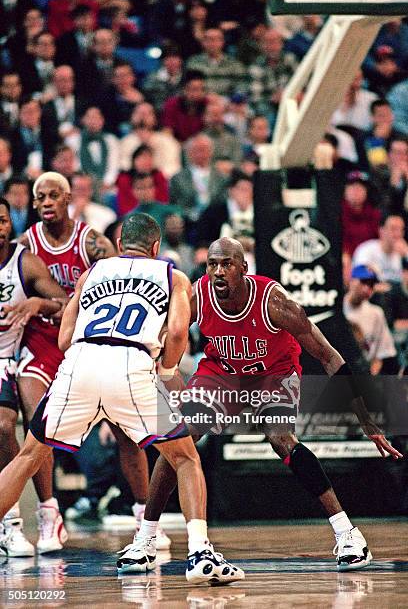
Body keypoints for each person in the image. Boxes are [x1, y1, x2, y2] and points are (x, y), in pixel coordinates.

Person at [123, 237, 402, 573]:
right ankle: (146, 539)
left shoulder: (275, 303)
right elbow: (164, 336)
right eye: (213, 264)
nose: (218, 271)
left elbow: (330, 356)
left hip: (274, 374)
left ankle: (348, 534)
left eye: (227, 264)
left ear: (244, 268)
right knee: (178, 438)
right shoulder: (197, 296)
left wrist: (366, 420)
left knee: (280, 438)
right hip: (222, 373)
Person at [0, 214, 244, 585]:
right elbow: (178, 331)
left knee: (29, 456)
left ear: (120, 243)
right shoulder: (173, 276)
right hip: (131, 365)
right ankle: (200, 553)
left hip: (80, 362)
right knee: (184, 458)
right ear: (156, 247)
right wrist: (165, 370)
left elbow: (64, 339)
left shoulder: (93, 272)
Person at [15, 170, 117, 554]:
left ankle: (144, 514)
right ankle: (48, 511)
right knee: (36, 416)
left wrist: (53, 304)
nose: (44, 203)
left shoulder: (92, 242)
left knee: (125, 430)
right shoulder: (26, 245)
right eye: (39, 197)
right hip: (42, 342)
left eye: (52, 196)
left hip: (84, 342)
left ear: (69, 197)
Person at [0, 197, 67, 557]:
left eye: (3, 221)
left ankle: (48, 510)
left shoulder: (24, 261)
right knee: (1, 424)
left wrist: (37, 304)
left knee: (37, 417)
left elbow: (66, 302)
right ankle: (9, 522)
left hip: (17, 353)